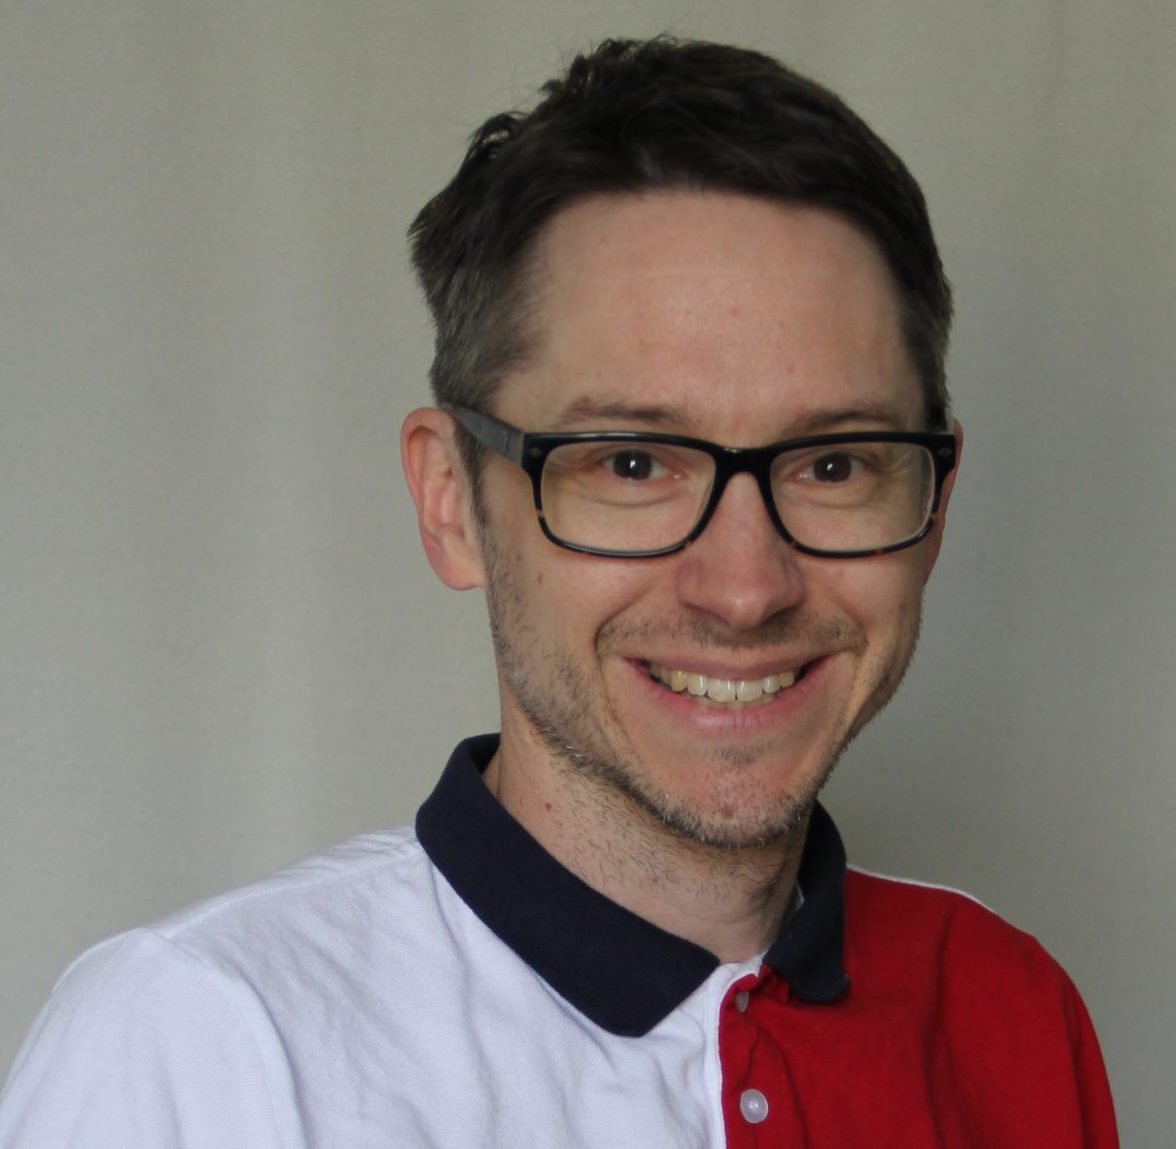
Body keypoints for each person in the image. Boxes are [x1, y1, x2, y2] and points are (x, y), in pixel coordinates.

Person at [0, 36, 1117, 1148]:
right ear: (451, 500)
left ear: (937, 496)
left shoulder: (1008, 1008)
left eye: (833, 465)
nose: (745, 589)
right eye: (631, 463)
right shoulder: (209, 1046)